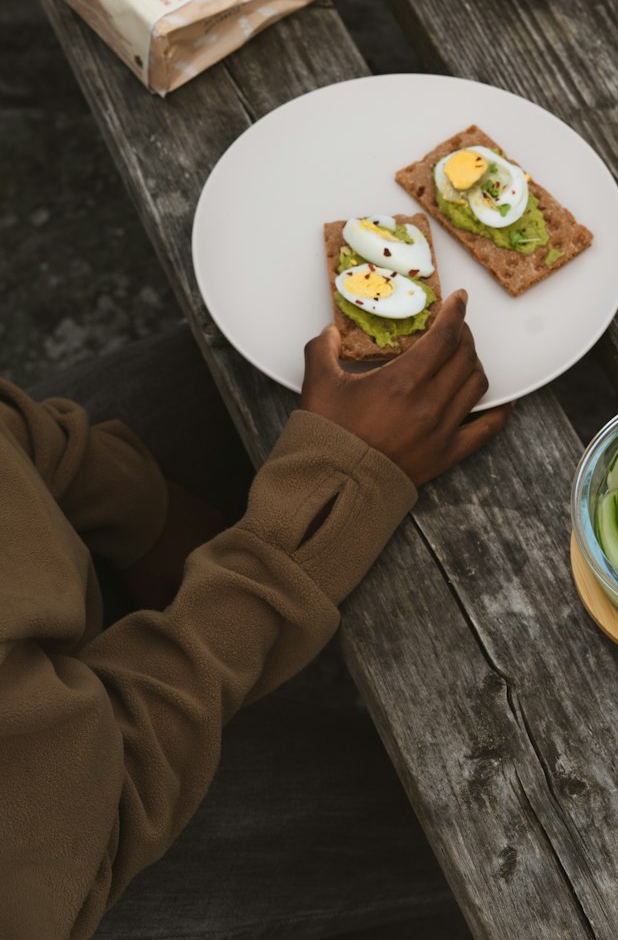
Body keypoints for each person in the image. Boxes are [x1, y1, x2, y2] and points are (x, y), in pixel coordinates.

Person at [0, 292, 505, 940]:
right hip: (69, 858)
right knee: (436, 817)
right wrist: (325, 497)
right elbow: (97, 811)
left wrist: (145, 512)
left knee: (229, 361)